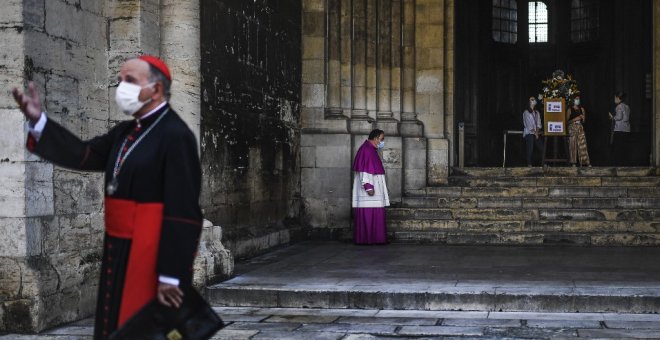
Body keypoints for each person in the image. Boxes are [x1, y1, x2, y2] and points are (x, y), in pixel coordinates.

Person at [12, 56, 203, 339]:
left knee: (145, 328)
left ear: (157, 90)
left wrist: (171, 275)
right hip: (120, 247)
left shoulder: (176, 135)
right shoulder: (126, 131)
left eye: (130, 81)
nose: (121, 87)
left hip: (150, 254)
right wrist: (39, 121)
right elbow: (84, 154)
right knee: (116, 325)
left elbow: (183, 212)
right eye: (119, 80)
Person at [351, 129, 390, 244]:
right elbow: (366, 171)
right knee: (370, 215)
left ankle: (372, 239)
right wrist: (369, 187)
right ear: (376, 138)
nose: (382, 142)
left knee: (374, 215)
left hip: (374, 191)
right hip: (370, 193)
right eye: (382, 139)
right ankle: (370, 239)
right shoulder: (367, 150)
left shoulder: (370, 149)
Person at [566, 95, 591, 167]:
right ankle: (573, 162)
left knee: (583, 144)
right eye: (576, 99)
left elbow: (584, 121)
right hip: (572, 127)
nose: (578, 100)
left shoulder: (582, 109)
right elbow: (566, 121)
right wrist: (575, 119)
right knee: (572, 144)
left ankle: (585, 162)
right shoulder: (569, 109)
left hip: (580, 127)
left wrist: (583, 118)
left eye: (578, 99)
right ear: (573, 100)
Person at [608, 91, 631, 166]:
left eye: (615, 97)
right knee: (624, 148)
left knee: (618, 148)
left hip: (619, 130)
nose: (614, 99)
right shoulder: (627, 106)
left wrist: (612, 117)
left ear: (618, 98)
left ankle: (618, 164)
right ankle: (624, 164)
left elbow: (619, 117)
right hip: (626, 130)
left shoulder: (619, 106)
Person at [522, 96, 544, 167]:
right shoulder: (526, 112)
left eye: (534, 99)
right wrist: (535, 133)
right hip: (529, 133)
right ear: (529, 102)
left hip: (536, 133)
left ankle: (543, 163)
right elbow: (528, 125)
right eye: (532, 99)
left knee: (542, 148)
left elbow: (539, 124)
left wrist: (537, 132)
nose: (534, 100)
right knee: (530, 148)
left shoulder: (537, 112)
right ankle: (529, 164)